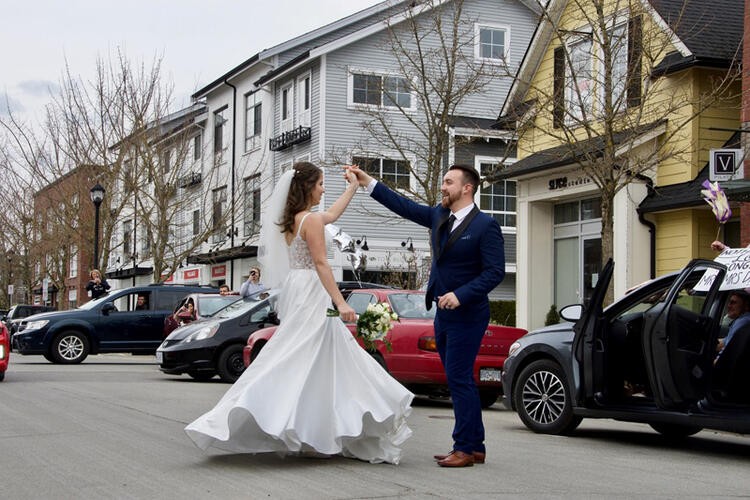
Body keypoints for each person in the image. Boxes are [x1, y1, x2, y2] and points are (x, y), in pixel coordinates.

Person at [185, 162, 413, 463]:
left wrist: (353, 187)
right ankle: (303, 428)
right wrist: (341, 303)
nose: (322, 188)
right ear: (307, 187)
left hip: (299, 288)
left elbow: (330, 216)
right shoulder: (311, 222)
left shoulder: (295, 219)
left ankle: (311, 432)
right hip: (312, 291)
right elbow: (321, 263)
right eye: (319, 184)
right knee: (305, 358)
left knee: (313, 359)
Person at [350, 163, 505, 468]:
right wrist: (368, 182)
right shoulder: (439, 215)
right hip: (442, 314)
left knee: (459, 379)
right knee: (459, 379)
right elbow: (403, 206)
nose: (443, 187)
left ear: (467, 188)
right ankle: (476, 446)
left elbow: (495, 272)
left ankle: (463, 449)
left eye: (448, 182)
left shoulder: (486, 226)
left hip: (469, 313)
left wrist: (461, 295)